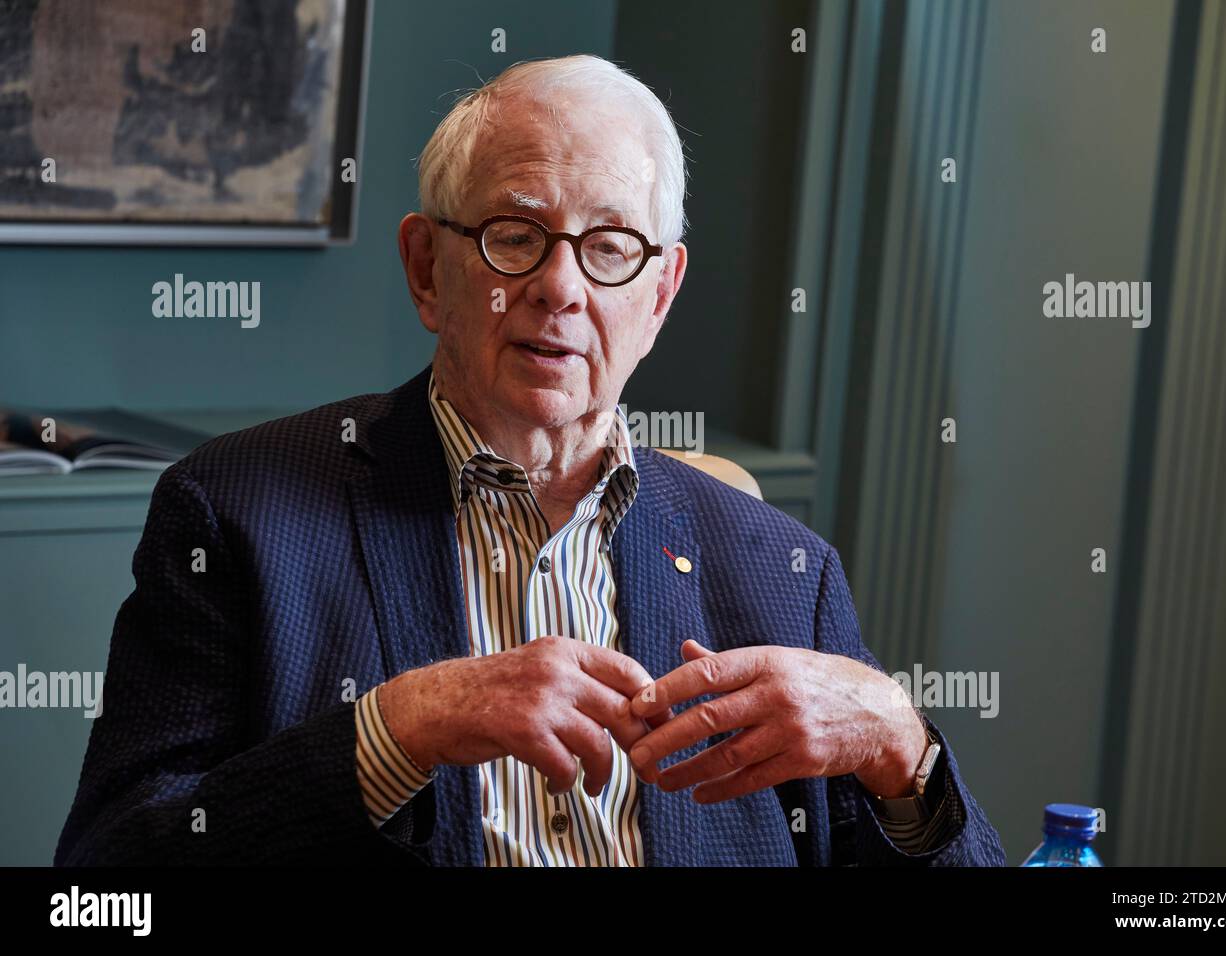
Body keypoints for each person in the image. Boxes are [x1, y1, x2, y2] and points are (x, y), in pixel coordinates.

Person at [55, 54, 1004, 866]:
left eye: (610, 248)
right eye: (515, 237)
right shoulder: (238, 513)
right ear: (429, 269)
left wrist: (900, 747)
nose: (559, 288)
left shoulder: (782, 571)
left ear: (661, 294)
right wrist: (401, 727)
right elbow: (104, 889)